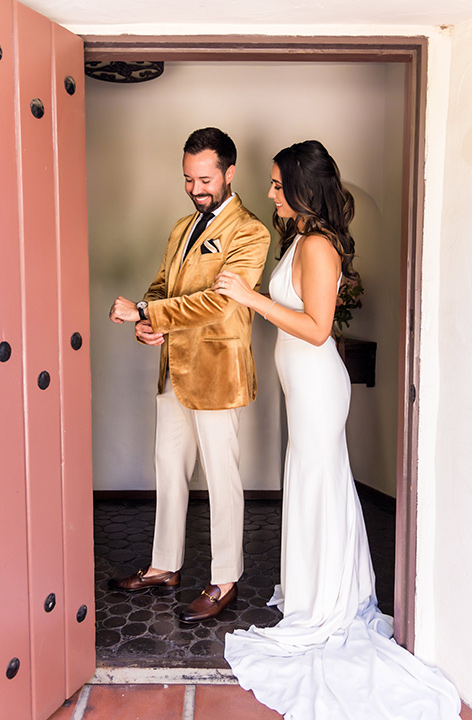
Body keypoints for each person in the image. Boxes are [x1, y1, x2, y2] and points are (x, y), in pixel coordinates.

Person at [212, 141, 460, 718]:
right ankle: (313, 591)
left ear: (301, 188)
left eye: (277, 185)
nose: (269, 193)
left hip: (321, 388)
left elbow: (319, 329)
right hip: (303, 388)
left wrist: (250, 297)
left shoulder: (319, 244)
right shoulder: (297, 237)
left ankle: (328, 603)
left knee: (320, 484)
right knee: (312, 482)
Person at [108, 127, 270, 623]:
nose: (196, 189)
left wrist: (146, 314)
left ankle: (225, 580)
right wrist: (144, 318)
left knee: (223, 478)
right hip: (173, 370)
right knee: (168, 470)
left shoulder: (251, 231)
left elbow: (218, 302)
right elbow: (163, 284)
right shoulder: (182, 227)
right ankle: (164, 565)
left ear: (229, 173)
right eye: (188, 179)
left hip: (219, 373)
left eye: (204, 179)